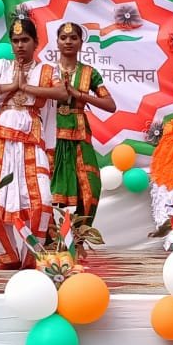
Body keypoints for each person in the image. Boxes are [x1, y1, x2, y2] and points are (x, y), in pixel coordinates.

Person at [0, 18, 58, 270]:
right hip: (0, 137)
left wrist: (27, 87)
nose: (20, 45)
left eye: (25, 40)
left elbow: (61, 93)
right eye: (16, 40)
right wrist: (12, 86)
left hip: (31, 136)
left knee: (40, 201)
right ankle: (8, 257)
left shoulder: (47, 70)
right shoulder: (2, 66)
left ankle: (33, 257)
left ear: (36, 42)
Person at [48, 22, 116, 221]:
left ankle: (80, 233)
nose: (68, 41)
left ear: (81, 42)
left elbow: (110, 105)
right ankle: (49, 235)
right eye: (63, 38)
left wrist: (79, 95)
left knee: (90, 186)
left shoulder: (89, 73)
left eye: (73, 38)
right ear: (57, 42)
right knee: (48, 185)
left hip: (79, 134)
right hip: (52, 134)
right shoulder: (47, 72)